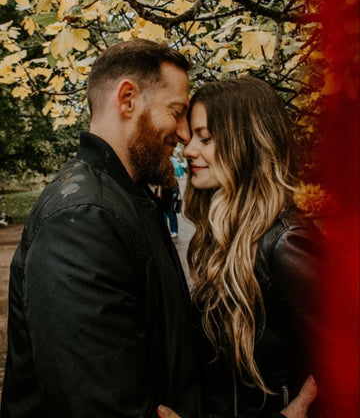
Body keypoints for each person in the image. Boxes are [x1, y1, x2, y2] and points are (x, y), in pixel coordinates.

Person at [1, 40, 316, 418]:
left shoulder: (125, 199)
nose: (184, 138)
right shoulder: (83, 216)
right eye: (177, 113)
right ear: (127, 99)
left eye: (203, 134)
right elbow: (96, 397)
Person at [171, 76, 323, 417]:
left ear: (247, 143)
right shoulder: (225, 232)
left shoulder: (287, 242)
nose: (189, 149)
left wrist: (299, 408)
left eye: (205, 138)